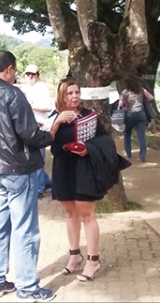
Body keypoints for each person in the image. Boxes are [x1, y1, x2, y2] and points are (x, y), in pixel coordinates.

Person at [0, 50, 56, 302]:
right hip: (18, 168)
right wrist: (50, 134)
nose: (16, 74)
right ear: (8, 69)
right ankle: (27, 286)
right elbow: (29, 134)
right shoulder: (13, 94)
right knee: (25, 228)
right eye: (15, 70)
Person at [49, 78, 110, 282]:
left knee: (86, 214)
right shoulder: (57, 118)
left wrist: (88, 149)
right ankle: (74, 256)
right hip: (63, 169)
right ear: (62, 96)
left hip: (84, 168)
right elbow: (52, 147)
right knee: (69, 213)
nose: (74, 96)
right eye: (69, 93)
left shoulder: (90, 116)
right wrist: (57, 123)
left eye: (76, 92)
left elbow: (104, 141)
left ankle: (93, 260)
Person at [20, 64, 53, 199]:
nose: (30, 77)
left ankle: (39, 188)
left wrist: (31, 106)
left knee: (38, 159)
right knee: (29, 159)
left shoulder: (42, 89)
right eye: (28, 74)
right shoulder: (23, 89)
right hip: (26, 128)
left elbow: (48, 107)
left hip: (39, 127)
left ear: (37, 75)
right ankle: (46, 182)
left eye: (32, 74)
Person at [118, 75, 154, 162]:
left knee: (127, 134)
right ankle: (142, 155)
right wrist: (143, 101)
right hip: (141, 114)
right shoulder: (141, 90)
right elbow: (151, 98)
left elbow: (120, 105)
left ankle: (129, 153)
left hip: (129, 115)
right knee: (141, 136)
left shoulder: (125, 92)